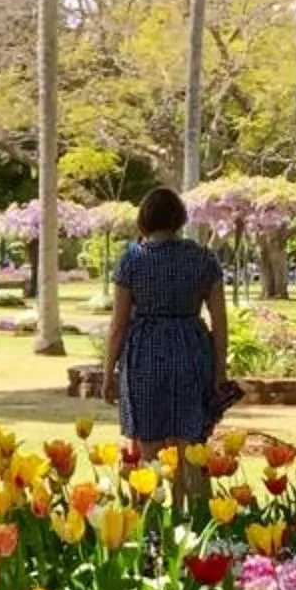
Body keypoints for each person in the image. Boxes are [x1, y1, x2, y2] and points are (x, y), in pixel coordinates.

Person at [102, 185, 230, 461]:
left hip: (145, 356)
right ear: (179, 218)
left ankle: (155, 503)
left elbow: (118, 324)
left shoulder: (132, 261)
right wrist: (220, 370)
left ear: (144, 219)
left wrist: (108, 371)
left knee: (149, 450)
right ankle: (195, 503)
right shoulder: (204, 259)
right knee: (194, 450)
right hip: (192, 354)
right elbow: (219, 321)